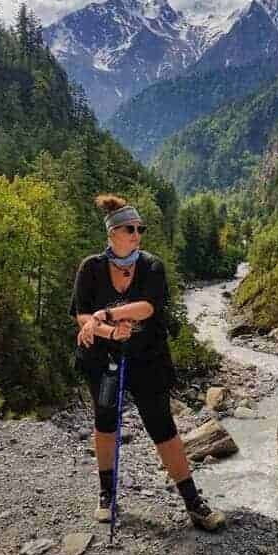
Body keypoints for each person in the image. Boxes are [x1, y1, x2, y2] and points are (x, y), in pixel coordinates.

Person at [70, 194, 225, 531]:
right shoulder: (91, 268)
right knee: (105, 423)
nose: (138, 234)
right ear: (112, 232)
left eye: (141, 228)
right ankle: (106, 495)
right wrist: (110, 332)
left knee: (163, 430)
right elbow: (80, 313)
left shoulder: (152, 266)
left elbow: (147, 307)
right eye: (131, 228)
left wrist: (107, 314)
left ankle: (193, 503)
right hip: (103, 358)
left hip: (148, 359)